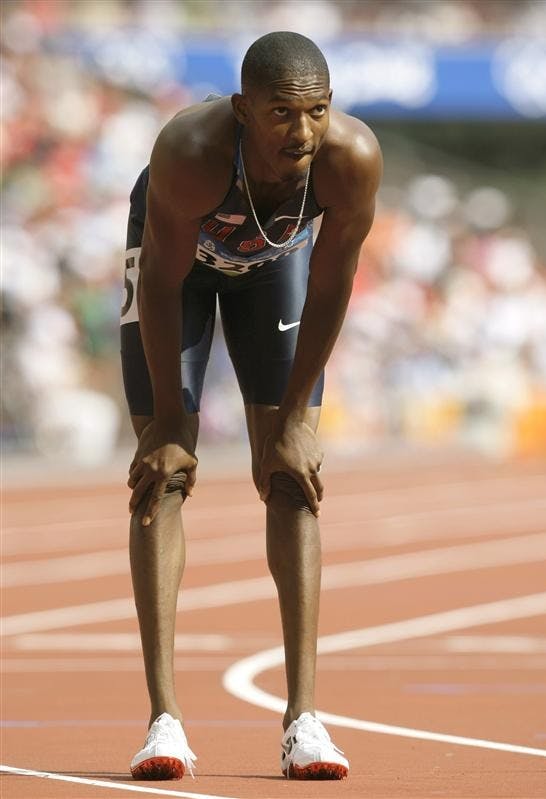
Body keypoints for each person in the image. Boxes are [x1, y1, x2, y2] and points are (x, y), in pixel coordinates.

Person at [121, 30, 382, 782]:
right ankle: (162, 721)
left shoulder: (349, 159)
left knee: (291, 476)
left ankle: (304, 719)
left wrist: (295, 417)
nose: (302, 132)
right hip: (181, 277)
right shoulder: (191, 151)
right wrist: (169, 422)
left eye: (316, 112)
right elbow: (164, 284)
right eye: (280, 115)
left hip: (273, 273)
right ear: (242, 109)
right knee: (161, 475)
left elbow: (331, 285)